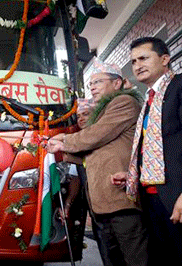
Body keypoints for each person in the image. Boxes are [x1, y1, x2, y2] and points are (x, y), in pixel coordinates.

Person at [47, 57, 148, 266]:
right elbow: (92, 152)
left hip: (122, 202)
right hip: (101, 206)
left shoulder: (124, 103)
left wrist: (64, 141)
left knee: (135, 260)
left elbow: (95, 136)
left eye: (98, 82)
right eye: (90, 83)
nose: (92, 87)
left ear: (116, 83)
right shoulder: (102, 110)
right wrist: (58, 152)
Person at [112, 37, 182, 264]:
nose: (137, 65)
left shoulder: (178, 86)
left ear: (165, 59)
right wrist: (134, 172)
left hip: (176, 196)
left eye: (143, 58)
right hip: (151, 199)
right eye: (133, 61)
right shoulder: (149, 100)